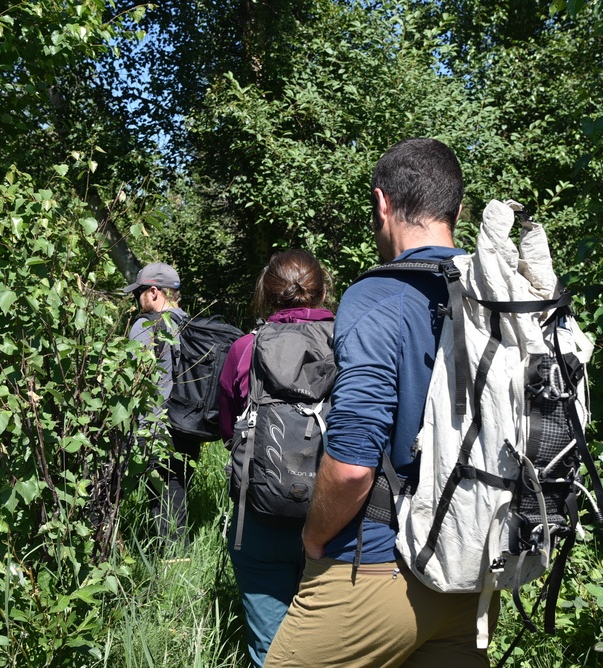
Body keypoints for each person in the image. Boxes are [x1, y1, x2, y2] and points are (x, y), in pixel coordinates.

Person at [264, 139, 494, 667]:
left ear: (382, 202)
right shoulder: (493, 294)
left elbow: (350, 467)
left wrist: (314, 536)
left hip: (376, 566)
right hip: (471, 571)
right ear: (458, 211)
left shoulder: (379, 295)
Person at [218, 249, 335, 668]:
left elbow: (230, 429)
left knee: (271, 650)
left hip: (260, 518)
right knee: (332, 650)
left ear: (266, 293)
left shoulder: (245, 348)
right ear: (324, 289)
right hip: (337, 516)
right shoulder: (350, 344)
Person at [123, 262, 204, 546]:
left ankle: (164, 559)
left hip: (155, 426)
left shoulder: (146, 325)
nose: (138, 299)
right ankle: (176, 556)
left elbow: (133, 377)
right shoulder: (193, 325)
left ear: (155, 292)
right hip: (190, 425)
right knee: (176, 492)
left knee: (155, 496)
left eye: (140, 292)